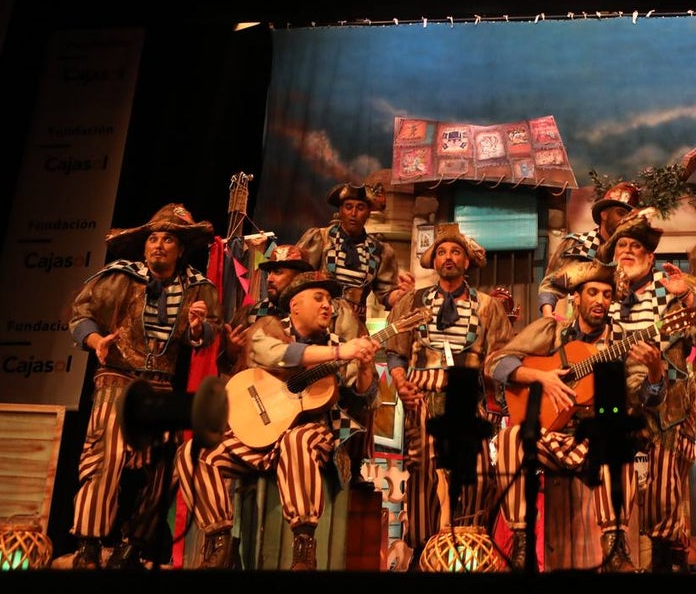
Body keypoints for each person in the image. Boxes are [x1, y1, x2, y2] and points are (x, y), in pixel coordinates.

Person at [175, 271, 378, 570]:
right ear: (295, 305)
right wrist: (339, 351)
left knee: (297, 441)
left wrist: (364, 369)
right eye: (319, 298)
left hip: (316, 433)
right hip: (262, 434)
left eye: (329, 301)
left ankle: (303, 548)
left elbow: (364, 399)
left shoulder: (341, 344)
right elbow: (274, 355)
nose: (328, 307)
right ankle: (219, 541)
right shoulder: (267, 330)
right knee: (195, 453)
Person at [66, 203, 223, 569]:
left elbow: (206, 332)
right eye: (154, 238)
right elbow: (80, 315)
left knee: (160, 471)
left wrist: (199, 328)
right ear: (144, 245)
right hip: (117, 379)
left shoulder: (197, 288)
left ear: (180, 248)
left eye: (169, 239)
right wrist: (96, 342)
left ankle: (132, 545)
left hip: (161, 386)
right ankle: (89, 543)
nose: (159, 245)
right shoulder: (119, 278)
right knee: (105, 457)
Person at [487, 257, 667, 572]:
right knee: (511, 437)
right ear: (577, 298)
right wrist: (542, 377)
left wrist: (655, 374)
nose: (600, 301)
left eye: (607, 295)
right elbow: (497, 364)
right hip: (552, 436)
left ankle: (615, 550)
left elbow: (647, 398)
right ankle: (521, 544)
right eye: (593, 293)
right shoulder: (552, 332)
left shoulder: (623, 340)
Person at [597, 209, 696, 573]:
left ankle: (668, 560)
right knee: (611, 484)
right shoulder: (602, 295)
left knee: (662, 502)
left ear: (650, 256)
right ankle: (616, 555)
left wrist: (687, 295)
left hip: (667, 414)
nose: (626, 251)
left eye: (635, 246)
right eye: (621, 245)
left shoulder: (673, 289)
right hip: (618, 412)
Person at [383, 223, 513, 567]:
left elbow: (503, 356)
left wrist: (493, 396)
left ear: (466, 261)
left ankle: (466, 548)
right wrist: (399, 380)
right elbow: (395, 350)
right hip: (422, 394)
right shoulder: (413, 302)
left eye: (455, 251)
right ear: (434, 261)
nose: (448, 257)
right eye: (441, 252)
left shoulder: (487, 307)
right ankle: (425, 550)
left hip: (468, 396)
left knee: (475, 469)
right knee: (424, 469)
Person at [220, 243, 367, 378]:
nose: (269, 279)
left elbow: (349, 367)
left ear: (299, 276)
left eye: (278, 272)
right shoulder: (253, 313)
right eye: (269, 272)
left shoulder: (335, 315)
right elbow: (231, 371)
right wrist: (232, 352)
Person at [296, 181, 414, 322]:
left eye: (360, 208)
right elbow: (299, 278)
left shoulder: (379, 251)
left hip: (355, 325)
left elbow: (386, 293)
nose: (353, 213)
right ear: (340, 210)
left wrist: (402, 295)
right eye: (348, 207)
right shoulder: (321, 238)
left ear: (368, 213)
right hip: (319, 320)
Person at [537, 181, 640, 318]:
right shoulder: (579, 244)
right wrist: (548, 314)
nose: (625, 220)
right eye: (620, 213)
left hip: (622, 329)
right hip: (582, 329)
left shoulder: (632, 253)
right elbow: (552, 284)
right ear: (604, 214)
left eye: (629, 216)